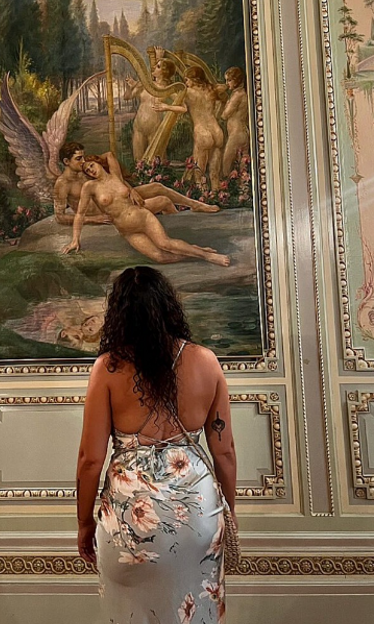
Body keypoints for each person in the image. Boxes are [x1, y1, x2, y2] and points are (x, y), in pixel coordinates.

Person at [75, 266, 237, 623]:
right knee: (194, 611)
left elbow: (90, 460)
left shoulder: (108, 368)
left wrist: (84, 523)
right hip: (198, 513)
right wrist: (230, 509)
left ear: (118, 313)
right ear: (169, 307)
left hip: (129, 520)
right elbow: (223, 451)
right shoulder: (206, 361)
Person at [63, 153, 230, 267]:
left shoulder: (115, 175)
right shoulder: (90, 187)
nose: (91, 170)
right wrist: (75, 239)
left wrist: (88, 159)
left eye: (92, 165)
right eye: (87, 170)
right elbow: (79, 214)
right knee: (160, 257)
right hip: (127, 231)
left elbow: (109, 154)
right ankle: (197, 251)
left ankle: (209, 256)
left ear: (99, 163)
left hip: (142, 217)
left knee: (165, 243)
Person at [54, 143, 219, 228]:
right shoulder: (62, 184)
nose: (83, 162)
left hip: (118, 199)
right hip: (110, 211)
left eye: (83, 158)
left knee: (157, 187)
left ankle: (195, 205)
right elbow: (60, 217)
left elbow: (109, 160)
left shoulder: (85, 171)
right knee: (163, 201)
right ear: (66, 161)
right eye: (78, 159)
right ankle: (178, 226)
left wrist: (131, 190)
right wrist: (94, 219)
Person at [153, 66, 226, 191]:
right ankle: (215, 193)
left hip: (202, 132)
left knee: (199, 173)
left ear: (194, 79)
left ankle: (202, 194)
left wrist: (166, 107)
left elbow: (183, 109)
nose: (185, 82)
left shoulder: (188, 92)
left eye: (187, 79)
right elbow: (225, 88)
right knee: (215, 174)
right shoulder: (213, 89)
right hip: (217, 131)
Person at [219, 67, 250, 182]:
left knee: (226, 165)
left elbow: (225, 115)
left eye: (229, 80)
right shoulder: (241, 93)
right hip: (243, 133)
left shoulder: (237, 95)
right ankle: (242, 188)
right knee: (243, 164)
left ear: (236, 80)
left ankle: (228, 188)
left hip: (236, 135)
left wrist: (223, 103)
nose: (227, 83)